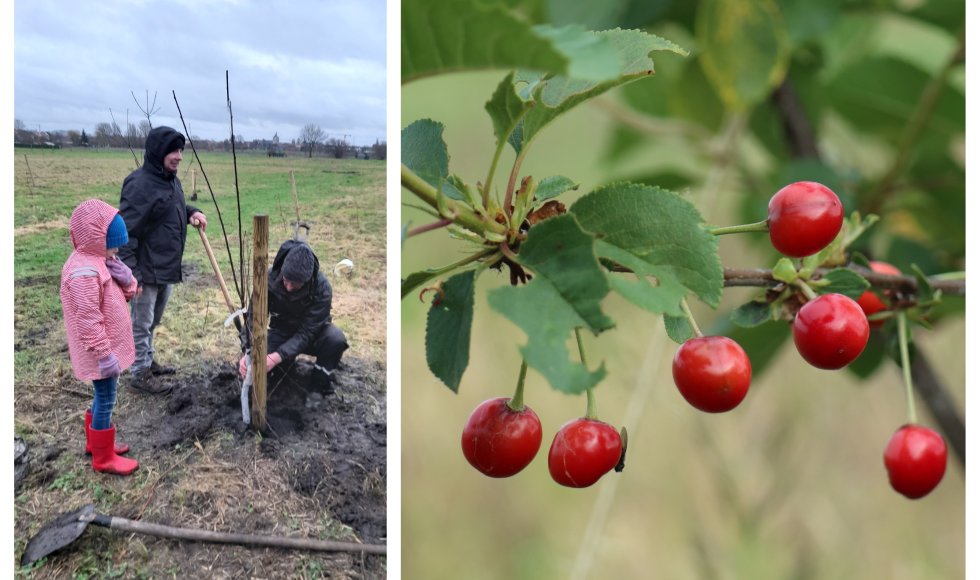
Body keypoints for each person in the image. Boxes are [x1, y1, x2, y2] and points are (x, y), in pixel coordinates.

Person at [118, 126, 207, 395]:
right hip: (146, 269)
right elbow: (126, 234)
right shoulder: (139, 184)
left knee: (152, 321)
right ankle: (139, 376)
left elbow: (171, 206)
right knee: (141, 324)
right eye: (173, 150)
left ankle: (146, 361)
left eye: (181, 150)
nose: (179, 156)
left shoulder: (171, 179)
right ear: (158, 152)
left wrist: (193, 211)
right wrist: (133, 276)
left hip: (165, 266)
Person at [61, 199, 140, 476]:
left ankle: (95, 442)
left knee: (101, 395)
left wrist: (127, 278)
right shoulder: (84, 272)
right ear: (94, 238)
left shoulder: (99, 261)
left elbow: (122, 296)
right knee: (106, 397)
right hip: (100, 353)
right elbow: (88, 320)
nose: (116, 251)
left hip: (107, 349)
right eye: (113, 245)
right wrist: (104, 355)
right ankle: (102, 457)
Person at [238, 240, 348, 392]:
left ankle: (318, 387)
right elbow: (253, 317)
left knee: (335, 339)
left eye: (296, 285)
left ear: (307, 279)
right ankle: (284, 369)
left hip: (312, 335)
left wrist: (277, 356)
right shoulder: (268, 279)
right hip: (282, 331)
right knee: (259, 361)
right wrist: (248, 351)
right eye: (286, 281)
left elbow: (307, 333)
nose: (289, 288)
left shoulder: (322, 289)